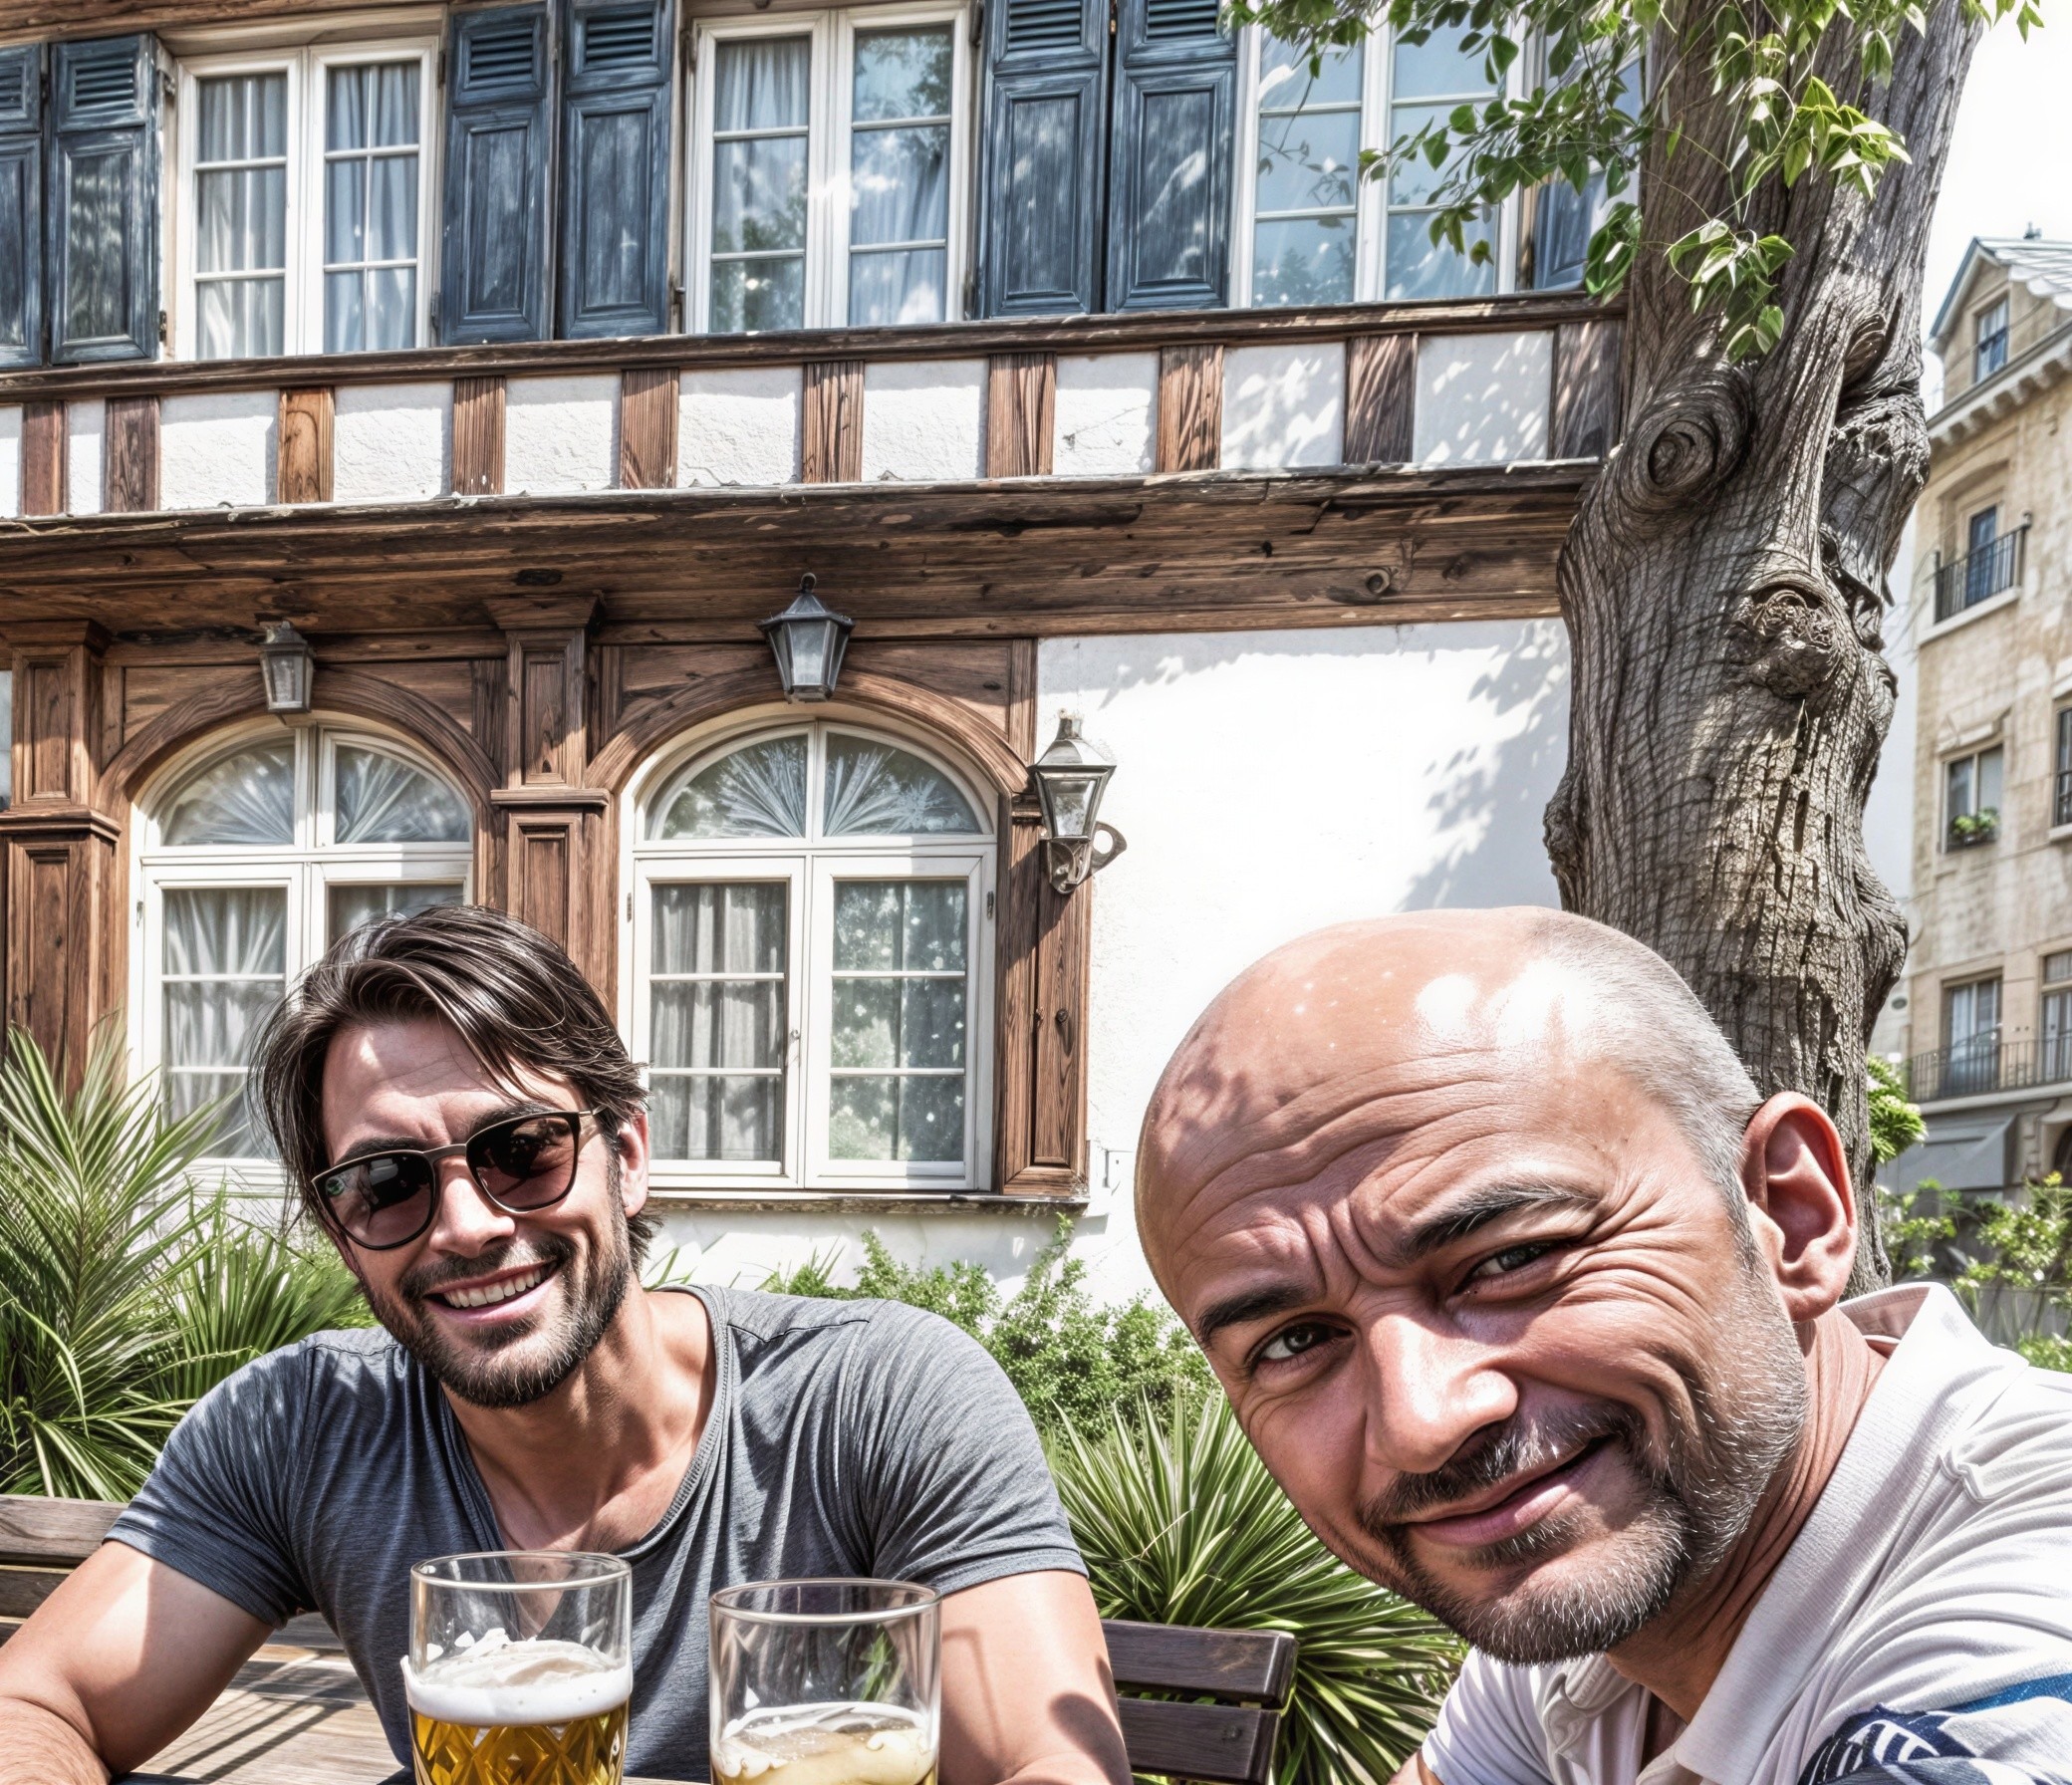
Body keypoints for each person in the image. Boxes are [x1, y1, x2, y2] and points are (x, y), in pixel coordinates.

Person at [0, 904, 1132, 1785]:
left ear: (626, 1153)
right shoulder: (300, 1425)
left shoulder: (878, 1396)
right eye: (385, 1181)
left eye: (521, 1148)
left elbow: (1050, 1757)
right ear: (341, 1229)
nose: (467, 1223)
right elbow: (37, 1702)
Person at [1135, 908, 2072, 1785]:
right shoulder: (1610, 1566)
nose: (1423, 1423)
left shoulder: (2019, 1630)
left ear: (1790, 1216)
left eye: (1513, 1258)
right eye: (1295, 1340)